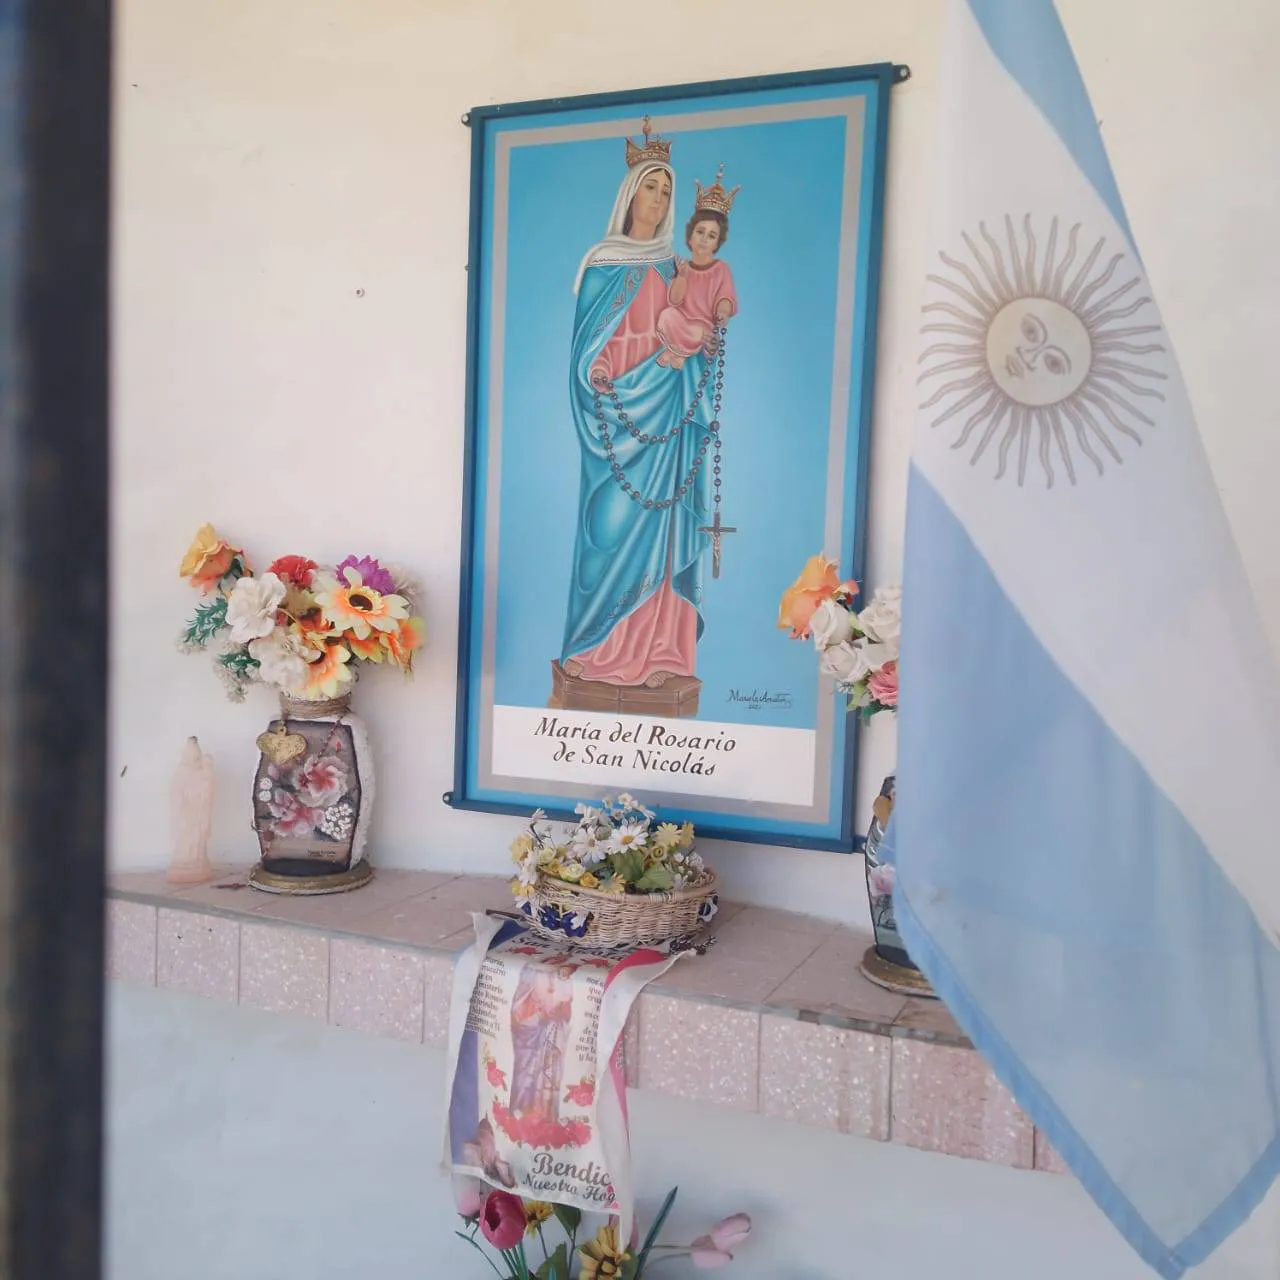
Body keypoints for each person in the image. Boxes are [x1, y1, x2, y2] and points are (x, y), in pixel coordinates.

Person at [559, 120, 723, 693]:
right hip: (616, 417)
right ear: (629, 194)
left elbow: (702, 333)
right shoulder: (602, 264)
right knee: (606, 529)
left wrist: (693, 345)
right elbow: (584, 353)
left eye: (665, 190)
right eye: (650, 186)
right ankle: (593, 646)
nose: (658, 199)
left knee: (665, 528)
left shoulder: (675, 268)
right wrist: (603, 372)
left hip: (667, 413)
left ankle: (662, 654)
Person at [656, 173, 740, 370]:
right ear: (690, 236)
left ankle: (678, 355)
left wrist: (723, 311)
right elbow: (674, 301)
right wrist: (682, 276)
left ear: (717, 244)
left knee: (697, 332)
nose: (703, 239)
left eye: (711, 236)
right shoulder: (683, 266)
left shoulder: (721, 269)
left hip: (701, 326)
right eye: (700, 232)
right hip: (680, 321)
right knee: (667, 315)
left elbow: (726, 297)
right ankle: (674, 352)